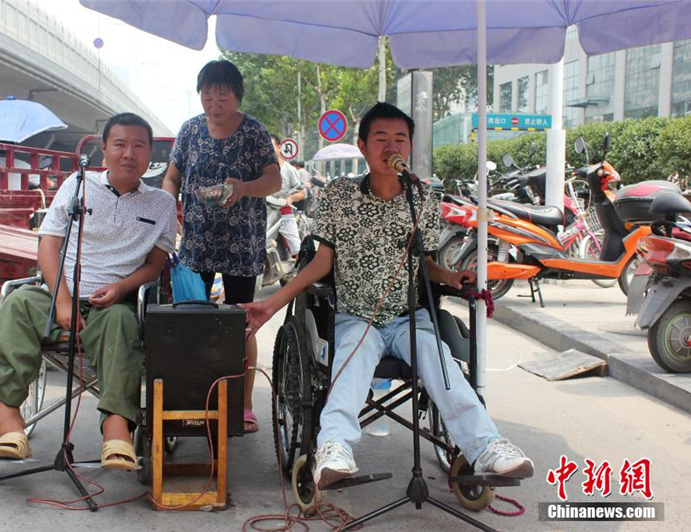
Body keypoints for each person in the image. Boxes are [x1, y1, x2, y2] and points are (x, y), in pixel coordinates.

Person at [241, 102, 534, 488]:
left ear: (409, 148)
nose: (390, 146)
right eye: (381, 138)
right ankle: (334, 447)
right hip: (355, 317)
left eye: (400, 139)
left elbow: (426, 264)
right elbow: (321, 262)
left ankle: (487, 446)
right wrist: (271, 304)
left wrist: (452, 274)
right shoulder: (339, 195)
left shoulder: (423, 199)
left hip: (409, 317)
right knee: (353, 355)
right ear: (362, 146)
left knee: (438, 357)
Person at [0, 113, 178, 470]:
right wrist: (62, 301)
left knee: (123, 323)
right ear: (103, 149)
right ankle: (9, 421)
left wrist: (122, 287)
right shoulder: (77, 185)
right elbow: (48, 246)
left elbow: (155, 264)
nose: (128, 154)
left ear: (151, 154)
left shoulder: (162, 204)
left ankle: (116, 428)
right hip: (59, 293)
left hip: (111, 304)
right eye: (119, 144)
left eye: (139, 146)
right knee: (16, 305)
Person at [163, 59, 282, 434]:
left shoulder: (253, 133)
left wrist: (244, 188)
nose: (215, 102)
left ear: (237, 95)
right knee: (192, 323)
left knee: (242, 325)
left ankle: (244, 405)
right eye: (208, 94)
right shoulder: (190, 131)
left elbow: (274, 180)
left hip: (241, 246)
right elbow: (172, 176)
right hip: (196, 244)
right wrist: (168, 210)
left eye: (223, 94)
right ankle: (195, 396)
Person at [267, 135, 306, 258]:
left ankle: (301, 271)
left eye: (271, 147)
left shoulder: (289, 170)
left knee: (297, 249)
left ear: (279, 148)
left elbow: (302, 192)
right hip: (264, 214)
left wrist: (290, 199)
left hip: (285, 213)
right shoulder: (258, 169)